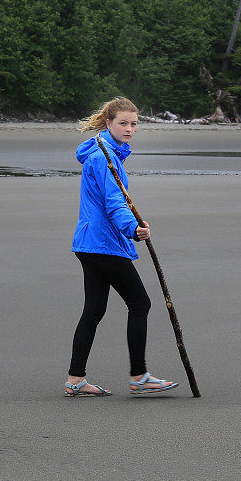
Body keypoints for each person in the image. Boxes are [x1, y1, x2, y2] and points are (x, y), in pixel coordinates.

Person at [65, 97, 179, 397]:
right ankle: (139, 376)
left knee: (93, 310)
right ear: (108, 124)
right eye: (123, 124)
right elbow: (114, 202)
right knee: (140, 303)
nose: (129, 129)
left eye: (133, 124)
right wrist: (133, 229)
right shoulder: (105, 157)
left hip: (88, 243)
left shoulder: (103, 151)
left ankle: (75, 379)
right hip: (102, 244)